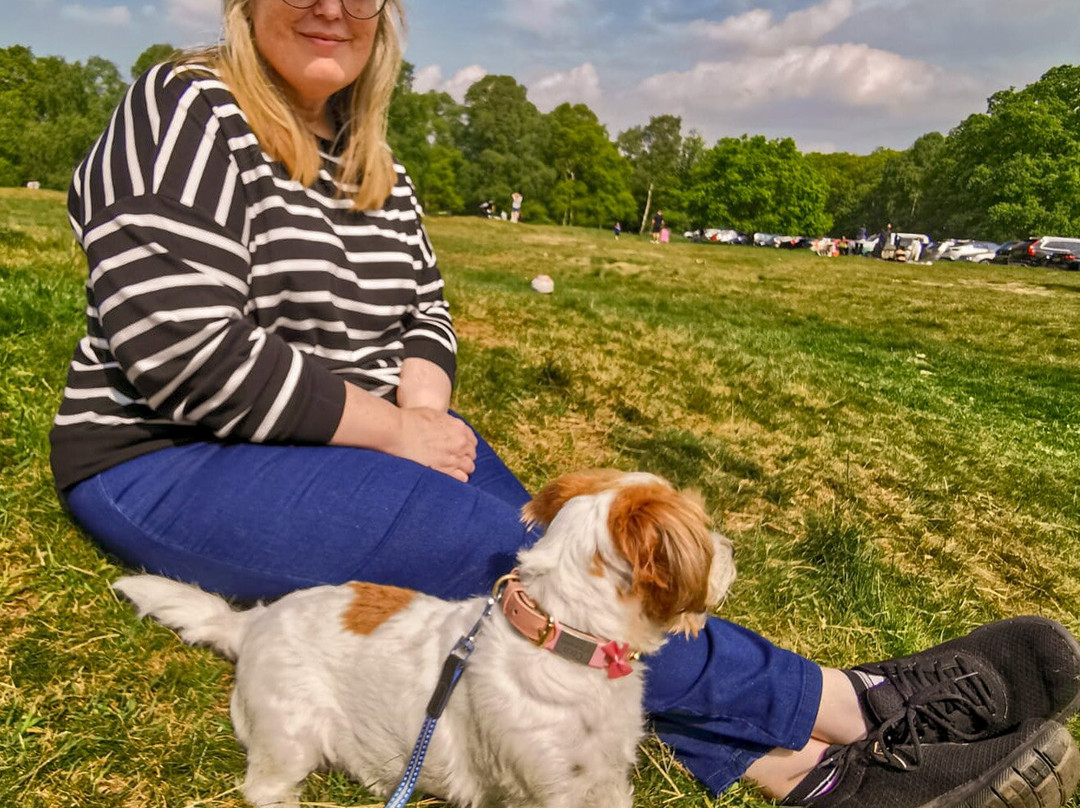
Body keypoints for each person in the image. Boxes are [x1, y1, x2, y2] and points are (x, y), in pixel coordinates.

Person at [51, 2, 1080, 807]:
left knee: (557, 567)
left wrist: (426, 395)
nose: (330, 5)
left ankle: (791, 768)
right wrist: (394, 430)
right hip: (167, 453)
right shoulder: (186, 105)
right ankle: (851, 707)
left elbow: (423, 306)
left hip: (350, 436)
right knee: (503, 570)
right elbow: (180, 350)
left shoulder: (373, 158)